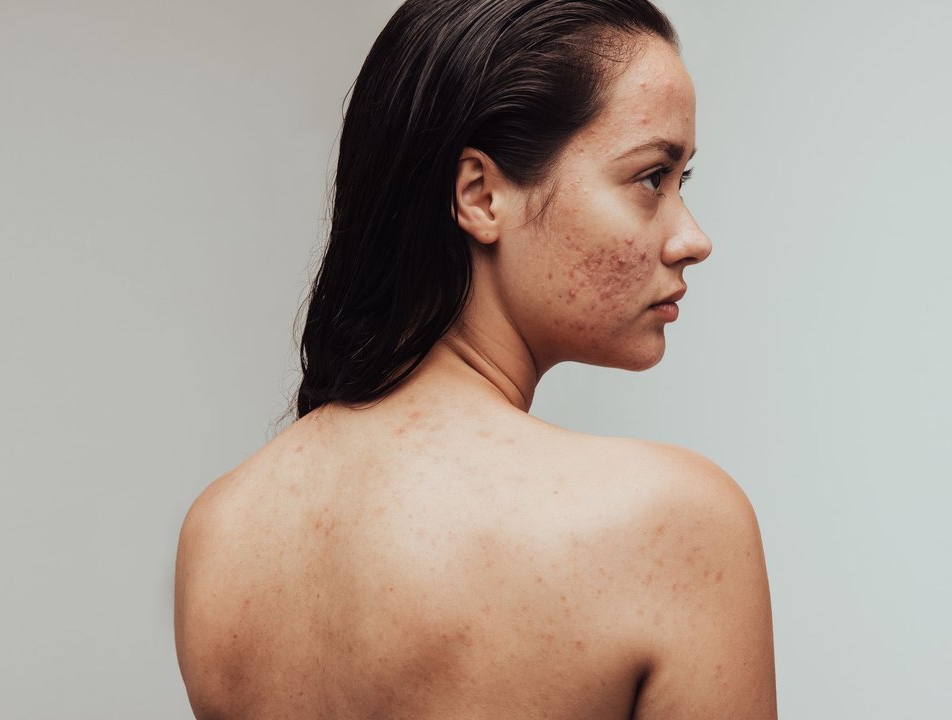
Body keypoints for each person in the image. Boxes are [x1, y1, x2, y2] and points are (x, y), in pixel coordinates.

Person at [174, 0, 776, 717]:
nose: (692, 237)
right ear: (481, 194)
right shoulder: (675, 528)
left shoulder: (221, 533)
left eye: (685, 183)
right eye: (652, 179)